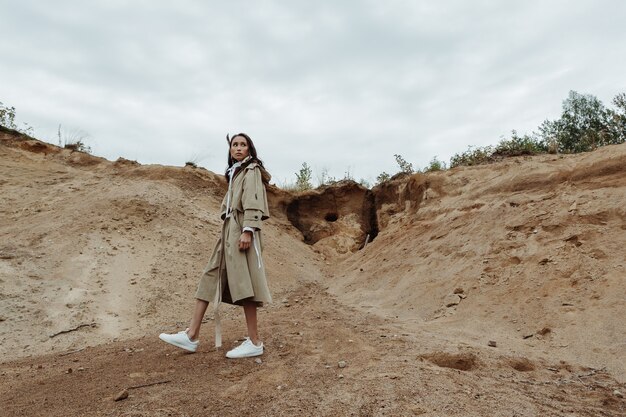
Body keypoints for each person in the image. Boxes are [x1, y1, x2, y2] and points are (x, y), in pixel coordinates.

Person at [159, 133, 272, 358]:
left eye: (243, 145)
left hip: (241, 230)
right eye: (234, 145)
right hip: (229, 230)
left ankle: (255, 342)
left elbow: (253, 200)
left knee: (246, 283)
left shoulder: (252, 170)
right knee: (210, 275)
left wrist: (248, 230)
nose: (238, 148)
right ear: (230, 149)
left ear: (250, 149)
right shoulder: (235, 172)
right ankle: (191, 335)